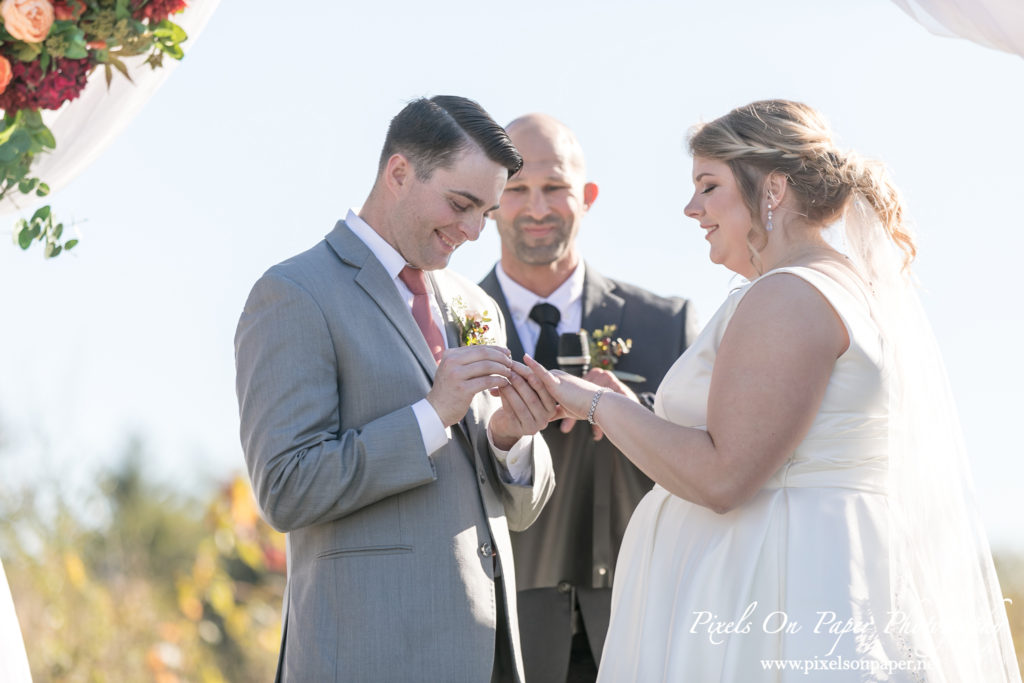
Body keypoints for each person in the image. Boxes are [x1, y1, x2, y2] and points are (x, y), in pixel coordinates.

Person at [526, 100, 1021, 681]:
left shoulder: (787, 295)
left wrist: (588, 400)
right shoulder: (835, 284)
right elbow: (760, 441)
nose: (691, 208)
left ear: (774, 188)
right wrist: (630, 414)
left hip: (775, 588)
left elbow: (724, 477)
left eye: (708, 186)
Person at [235, 96, 557, 683]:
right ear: (399, 171)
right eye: (462, 205)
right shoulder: (294, 294)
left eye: (486, 213)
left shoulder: (474, 303)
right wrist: (432, 415)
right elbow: (286, 489)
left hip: (491, 656)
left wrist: (510, 439)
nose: (473, 231)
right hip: (366, 655)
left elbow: (519, 511)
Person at [478, 113, 698, 682]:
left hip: (645, 628)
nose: (536, 208)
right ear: (491, 199)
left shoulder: (666, 326)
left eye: (555, 188)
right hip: (498, 636)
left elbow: (708, 465)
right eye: (517, 189)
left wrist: (631, 415)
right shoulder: (448, 328)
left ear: (588, 195)